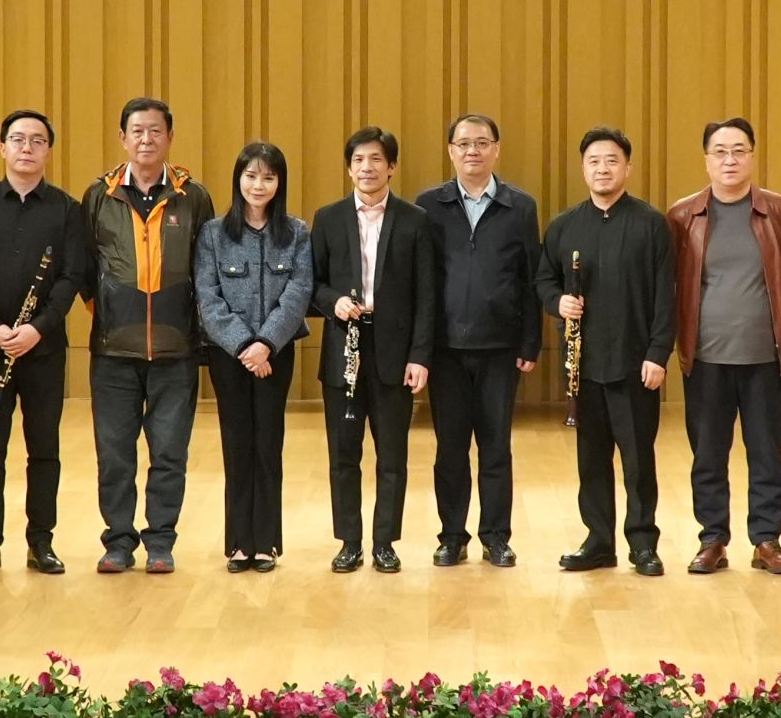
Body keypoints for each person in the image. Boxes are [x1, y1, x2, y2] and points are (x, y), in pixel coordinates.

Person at [0, 109, 95, 576]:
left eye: (37, 140)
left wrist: (38, 328)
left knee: (44, 448)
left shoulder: (67, 209)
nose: (26, 147)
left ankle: (41, 541)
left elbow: (72, 276)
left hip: (43, 349)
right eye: (17, 139)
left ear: (48, 150)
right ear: (2, 148)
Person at [664, 117, 781, 576]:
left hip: (766, 356)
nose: (730, 160)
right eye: (720, 151)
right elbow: (674, 279)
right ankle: (712, 539)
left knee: (767, 452)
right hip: (705, 357)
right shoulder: (682, 216)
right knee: (708, 454)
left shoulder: (780, 211)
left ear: (752, 155)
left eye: (739, 150)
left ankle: (767, 540)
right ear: (706, 159)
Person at [81, 97, 216, 574]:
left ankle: (161, 541)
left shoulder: (192, 196)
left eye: (155, 131)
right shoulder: (99, 195)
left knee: (169, 453)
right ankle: (118, 542)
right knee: (114, 455)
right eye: (137, 131)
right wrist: (110, 311)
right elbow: (85, 267)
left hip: (177, 350)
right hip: (113, 351)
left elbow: (207, 267)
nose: (146, 139)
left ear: (169, 137)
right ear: (122, 138)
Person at [536, 126, 674, 576]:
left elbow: (666, 296)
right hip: (585, 364)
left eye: (612, 160)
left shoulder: (651, 224)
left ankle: (643, 544)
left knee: (638, 460)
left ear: (627, 167)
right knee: (591, 460)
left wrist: (658, 353)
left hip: (636, 364)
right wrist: (557, 301)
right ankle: (598, 541)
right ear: (583, 168)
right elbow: (544, 279)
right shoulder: (564, 225)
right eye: (594, 161)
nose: (602, 168)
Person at [414, 113, 542, 569]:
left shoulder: (520, 206)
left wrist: (530, 342)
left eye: (482, 142)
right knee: (450, 450)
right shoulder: (428, 205)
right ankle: (452, 536)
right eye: (464, 143)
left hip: (500, 349)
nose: (473, 151)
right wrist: (420, 350)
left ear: (496, 150)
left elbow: (530, 278)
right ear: (451, 150)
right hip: (445, 350)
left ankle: (496, 537)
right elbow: (421, 281)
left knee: (496, 448)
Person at [312, 126, 437, 573]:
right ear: (349, 168)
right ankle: (349, 541)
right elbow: (312, 285)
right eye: (359, 160)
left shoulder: (415, 220)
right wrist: (333, 302)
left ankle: (385, 541)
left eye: (376, 159)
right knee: (343, 456)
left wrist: (420, 356)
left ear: (392, 167)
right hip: (342, 354)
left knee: (393, 457)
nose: (367, 168)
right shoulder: (327, 218)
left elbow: (427, 295)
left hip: (395, 355)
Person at [195, 142, 313, 572]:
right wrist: (245, 345)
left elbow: (298, 293)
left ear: (279, 182)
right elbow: (207, 297)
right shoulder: (213, 233)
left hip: (275, 353)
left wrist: (266, 343)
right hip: (229, 354)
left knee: (268, 444)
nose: (258, 185)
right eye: (251, 176)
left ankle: (266, 543)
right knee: (236, 444)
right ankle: (238, 544)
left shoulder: (297, 233)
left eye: (268, 177)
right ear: (238, 179)